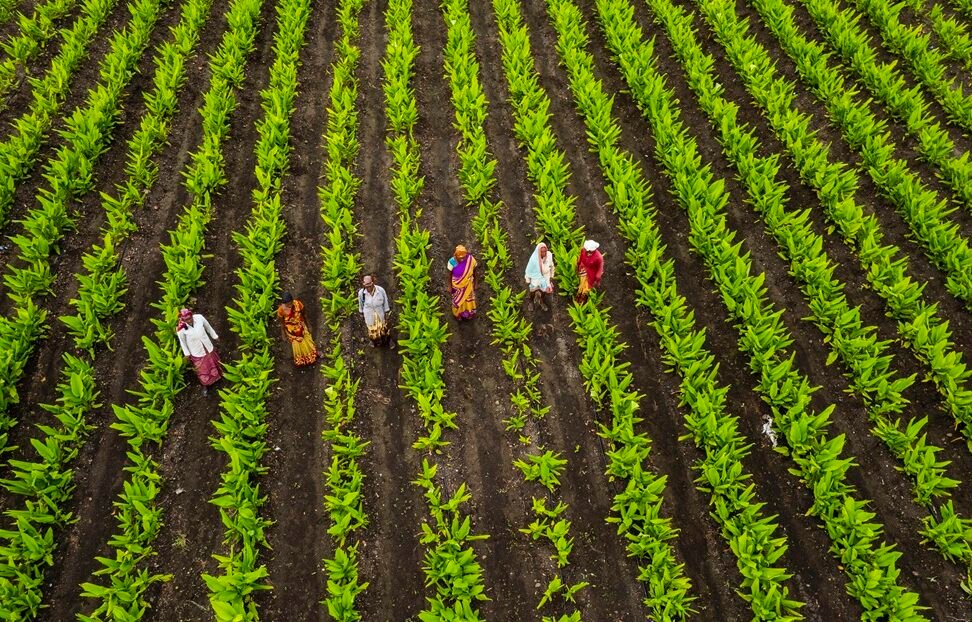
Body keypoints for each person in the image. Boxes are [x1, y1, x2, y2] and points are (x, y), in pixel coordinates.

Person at [176, 308, 222, 394]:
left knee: (213, 362)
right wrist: (187, 354)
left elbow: (208, 327)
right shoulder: (181, 330)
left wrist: (215, 336)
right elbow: (183, 343)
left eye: (190, 318)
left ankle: (219, 376)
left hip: (207, 346)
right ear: (183, 319)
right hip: (196, 351)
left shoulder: (199, 318)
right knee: (202, 369)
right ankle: (206, 384)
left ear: (192, 315)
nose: (189, 321)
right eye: (186, 320)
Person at [276, 293, 318, 366]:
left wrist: (309, 325)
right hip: (292, 332)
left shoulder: (298, 304)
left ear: (292, 301)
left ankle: (313, 355)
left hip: (300, 327)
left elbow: (304, 315)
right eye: (287, 304)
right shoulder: (281, 310)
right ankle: (302, 360)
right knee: (297, 346)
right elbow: (282, 323)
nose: (289, 305)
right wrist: (283, 334)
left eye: (290, 303)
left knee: (308, 342)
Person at [358, 275, 391, 346]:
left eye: (370, 284)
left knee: (384, 329)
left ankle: (387, 342)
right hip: (369, 315)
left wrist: (387, 311)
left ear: (373, 282)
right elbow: (360, 303)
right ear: (363, 284)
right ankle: (374, 341)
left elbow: (385, 301)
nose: (368, 287)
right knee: (372, 331)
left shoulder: (380, 290)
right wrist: (361, 312)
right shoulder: (361, 293)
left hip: (380, 313)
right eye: (366, 285)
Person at [447, 244, 478, 320]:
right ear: (455, 255)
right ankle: (458, 314)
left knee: (468, 300)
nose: (462, 259)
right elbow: (449, 274)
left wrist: (476, 283)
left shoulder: (471, 260)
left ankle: (468, 313)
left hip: (468, 284)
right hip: (456, 285)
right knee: (457, 301)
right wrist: (449, 286)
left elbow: (475, 272)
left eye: (463, 257)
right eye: (459, 257)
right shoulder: (452, 262)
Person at [524, 242, 555, 311]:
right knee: (533, 291)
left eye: (545, 251)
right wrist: (528, 279)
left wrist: (551, 276)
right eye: (542, 252)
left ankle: (541, 301)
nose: (544, 253)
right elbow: (529, 270)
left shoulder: (549, 256)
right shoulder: (534, 259)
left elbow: (552, 266)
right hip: (535, 279)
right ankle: (531, 302)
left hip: (545, 278)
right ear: (538, 251)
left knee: (544, 291)